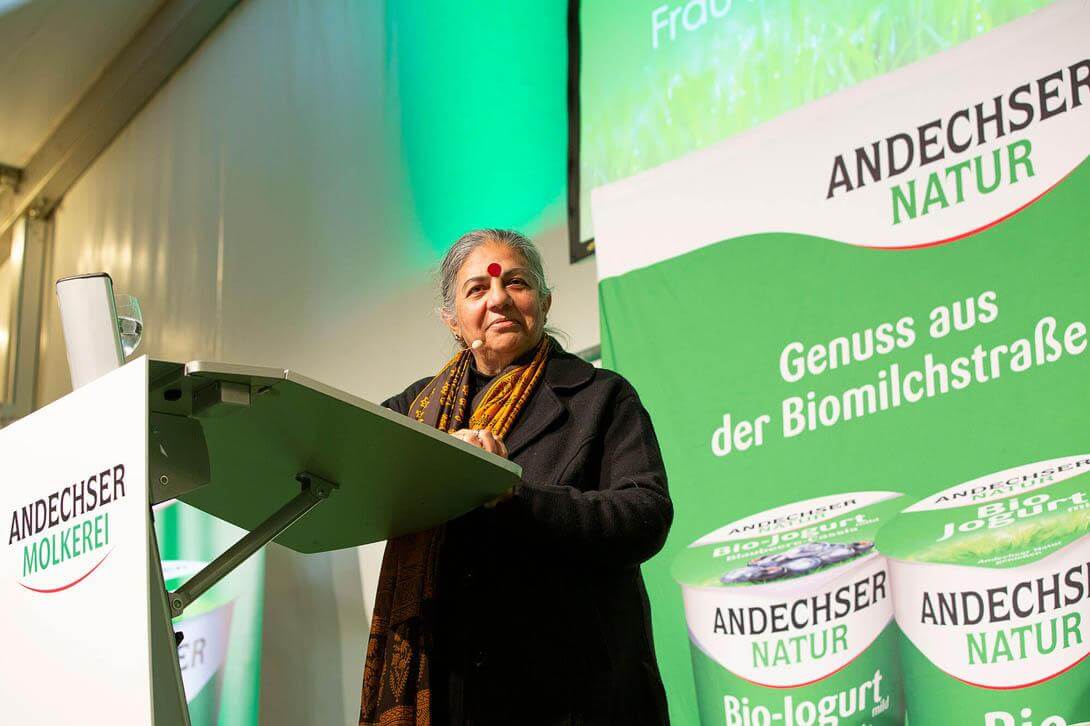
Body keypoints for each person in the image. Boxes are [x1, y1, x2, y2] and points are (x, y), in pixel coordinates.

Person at [360, 229, 672, 726]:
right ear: (452, 320)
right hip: (452, 693)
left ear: (545, 303)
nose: (499, 299)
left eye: (518, 283)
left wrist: (513, 493)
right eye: (477, 289)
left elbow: (645, 515)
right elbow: (353, 470)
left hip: (574, 693)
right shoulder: (413, 414)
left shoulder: (602, 397)